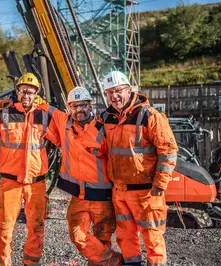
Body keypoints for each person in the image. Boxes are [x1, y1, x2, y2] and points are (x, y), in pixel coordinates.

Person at [100, 71, 178, 266]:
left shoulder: (149, 116)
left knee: (152, 236)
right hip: (119, 191)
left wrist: (160, 184)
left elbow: (168, 150)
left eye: (118, 91)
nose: (114, 97)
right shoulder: (107, 117)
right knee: (125, 236)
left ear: (129, 90)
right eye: (109, 93)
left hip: (146, 191)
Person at [40, 86, 123, 266]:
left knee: (102, 240)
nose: (79, 110)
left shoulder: (103, 128)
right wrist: (16, 100)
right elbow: (47, 108)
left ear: (91, 106)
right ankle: (115, 261)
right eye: (75, 106)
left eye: (83, 105)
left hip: (103, 197)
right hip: (79, 196)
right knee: (78, 235)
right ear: (69, 108)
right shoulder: (64, 123)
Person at [0, 72, 54, 266]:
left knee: (36, 228)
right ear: (17, 92)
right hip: (9, 182)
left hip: (36, 184)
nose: (26, 95)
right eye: (23, 91)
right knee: (4, 228)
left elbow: (62, 138)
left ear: (36, 94)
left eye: (31, 92)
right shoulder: (3, 114)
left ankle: (31, 263)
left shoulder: (44, 116)